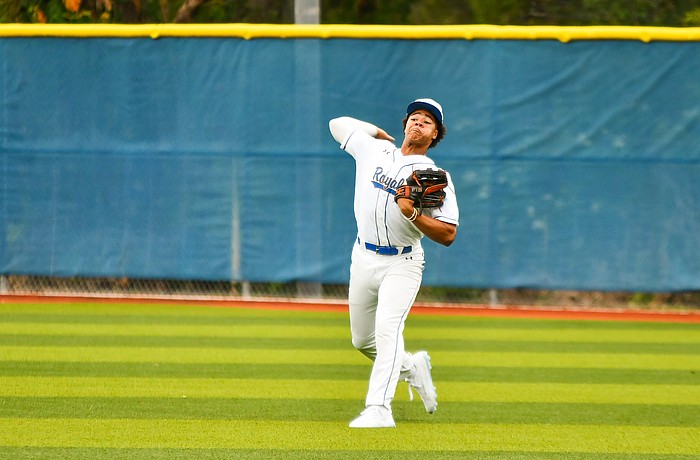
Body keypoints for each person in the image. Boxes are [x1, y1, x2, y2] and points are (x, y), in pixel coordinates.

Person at [328, 98, 459, 428]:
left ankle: (379, 409)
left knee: (388, 330)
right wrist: (375, 132)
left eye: (427, 121)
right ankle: (411, 367)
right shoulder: (375, 151)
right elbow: (336, 124)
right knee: (362, 341)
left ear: (435, 134)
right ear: (405, 124)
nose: (419, 122)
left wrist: (413, 214)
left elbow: (448, 234)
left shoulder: (433, 176)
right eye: (414, 117)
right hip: (363, 256)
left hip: (403, 263)